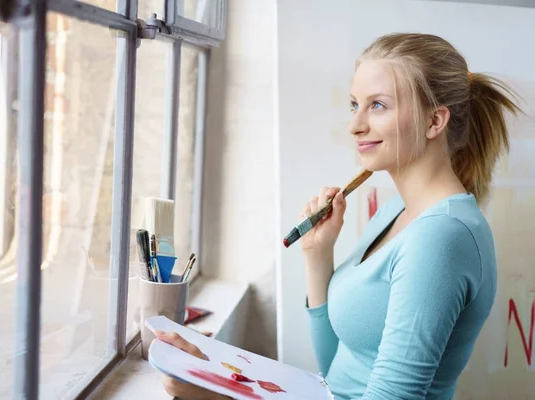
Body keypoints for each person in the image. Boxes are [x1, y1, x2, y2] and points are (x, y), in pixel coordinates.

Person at [154, 32, 522, 399]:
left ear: (434, 121)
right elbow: (336, 375)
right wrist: (318, 255)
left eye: (377, 105)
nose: (355, 125)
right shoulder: (398, 210)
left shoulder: (442, 236)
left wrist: (216, 395)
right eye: (354, 105)